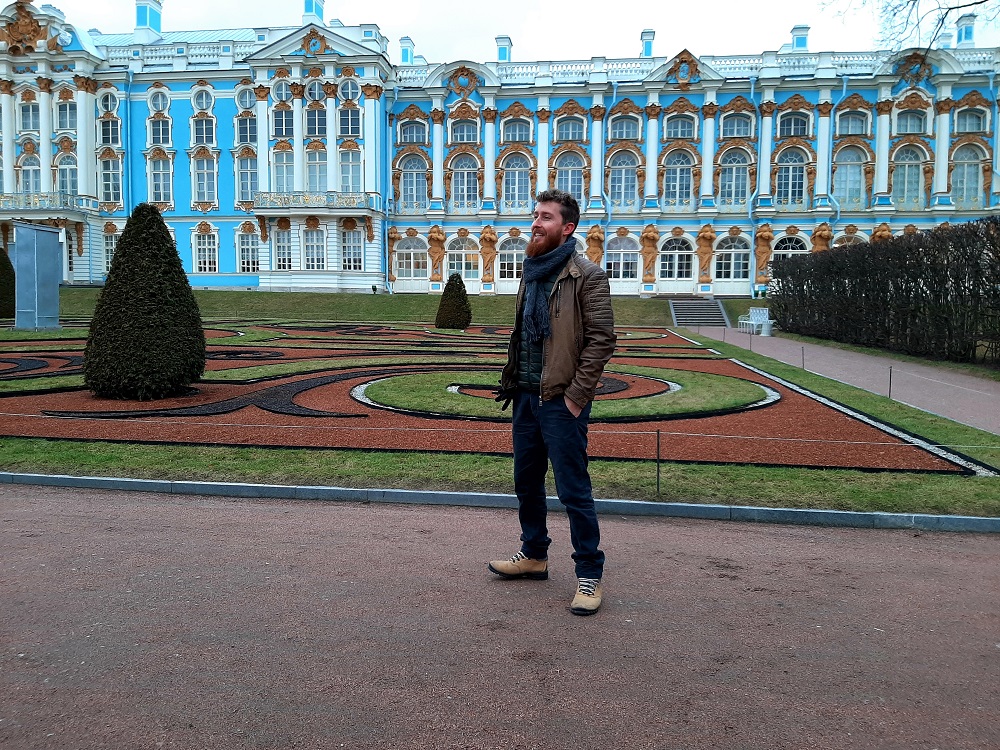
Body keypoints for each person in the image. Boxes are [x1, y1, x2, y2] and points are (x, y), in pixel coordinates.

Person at [489, 189, 617, 616]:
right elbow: (523, 338)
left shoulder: (587, 275)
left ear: (568, 227)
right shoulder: (532, 271)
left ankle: (589, 575)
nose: (535, 223)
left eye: (544, 217)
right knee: (526, 482)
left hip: (562, 401)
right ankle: (535, 555)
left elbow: (601, 340)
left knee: (573, 490)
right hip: (526, 396)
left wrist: (578, 398)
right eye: (535, 215)